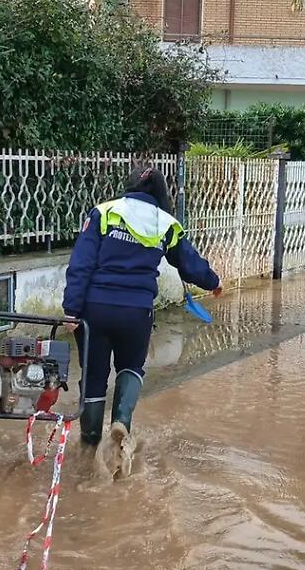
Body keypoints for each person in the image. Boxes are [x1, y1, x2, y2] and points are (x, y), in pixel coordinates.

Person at [62, 166, 221, 478]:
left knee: (94, 377)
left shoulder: (103, 213)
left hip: (95, 309)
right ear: (162, 194)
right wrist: (212, 281)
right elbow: (188, 263)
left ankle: (88, 445)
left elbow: (80, 263)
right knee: (131, 368)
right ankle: (121, 423)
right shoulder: (166, 223)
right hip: (136, 311)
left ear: (130, 186)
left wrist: (71, 309)